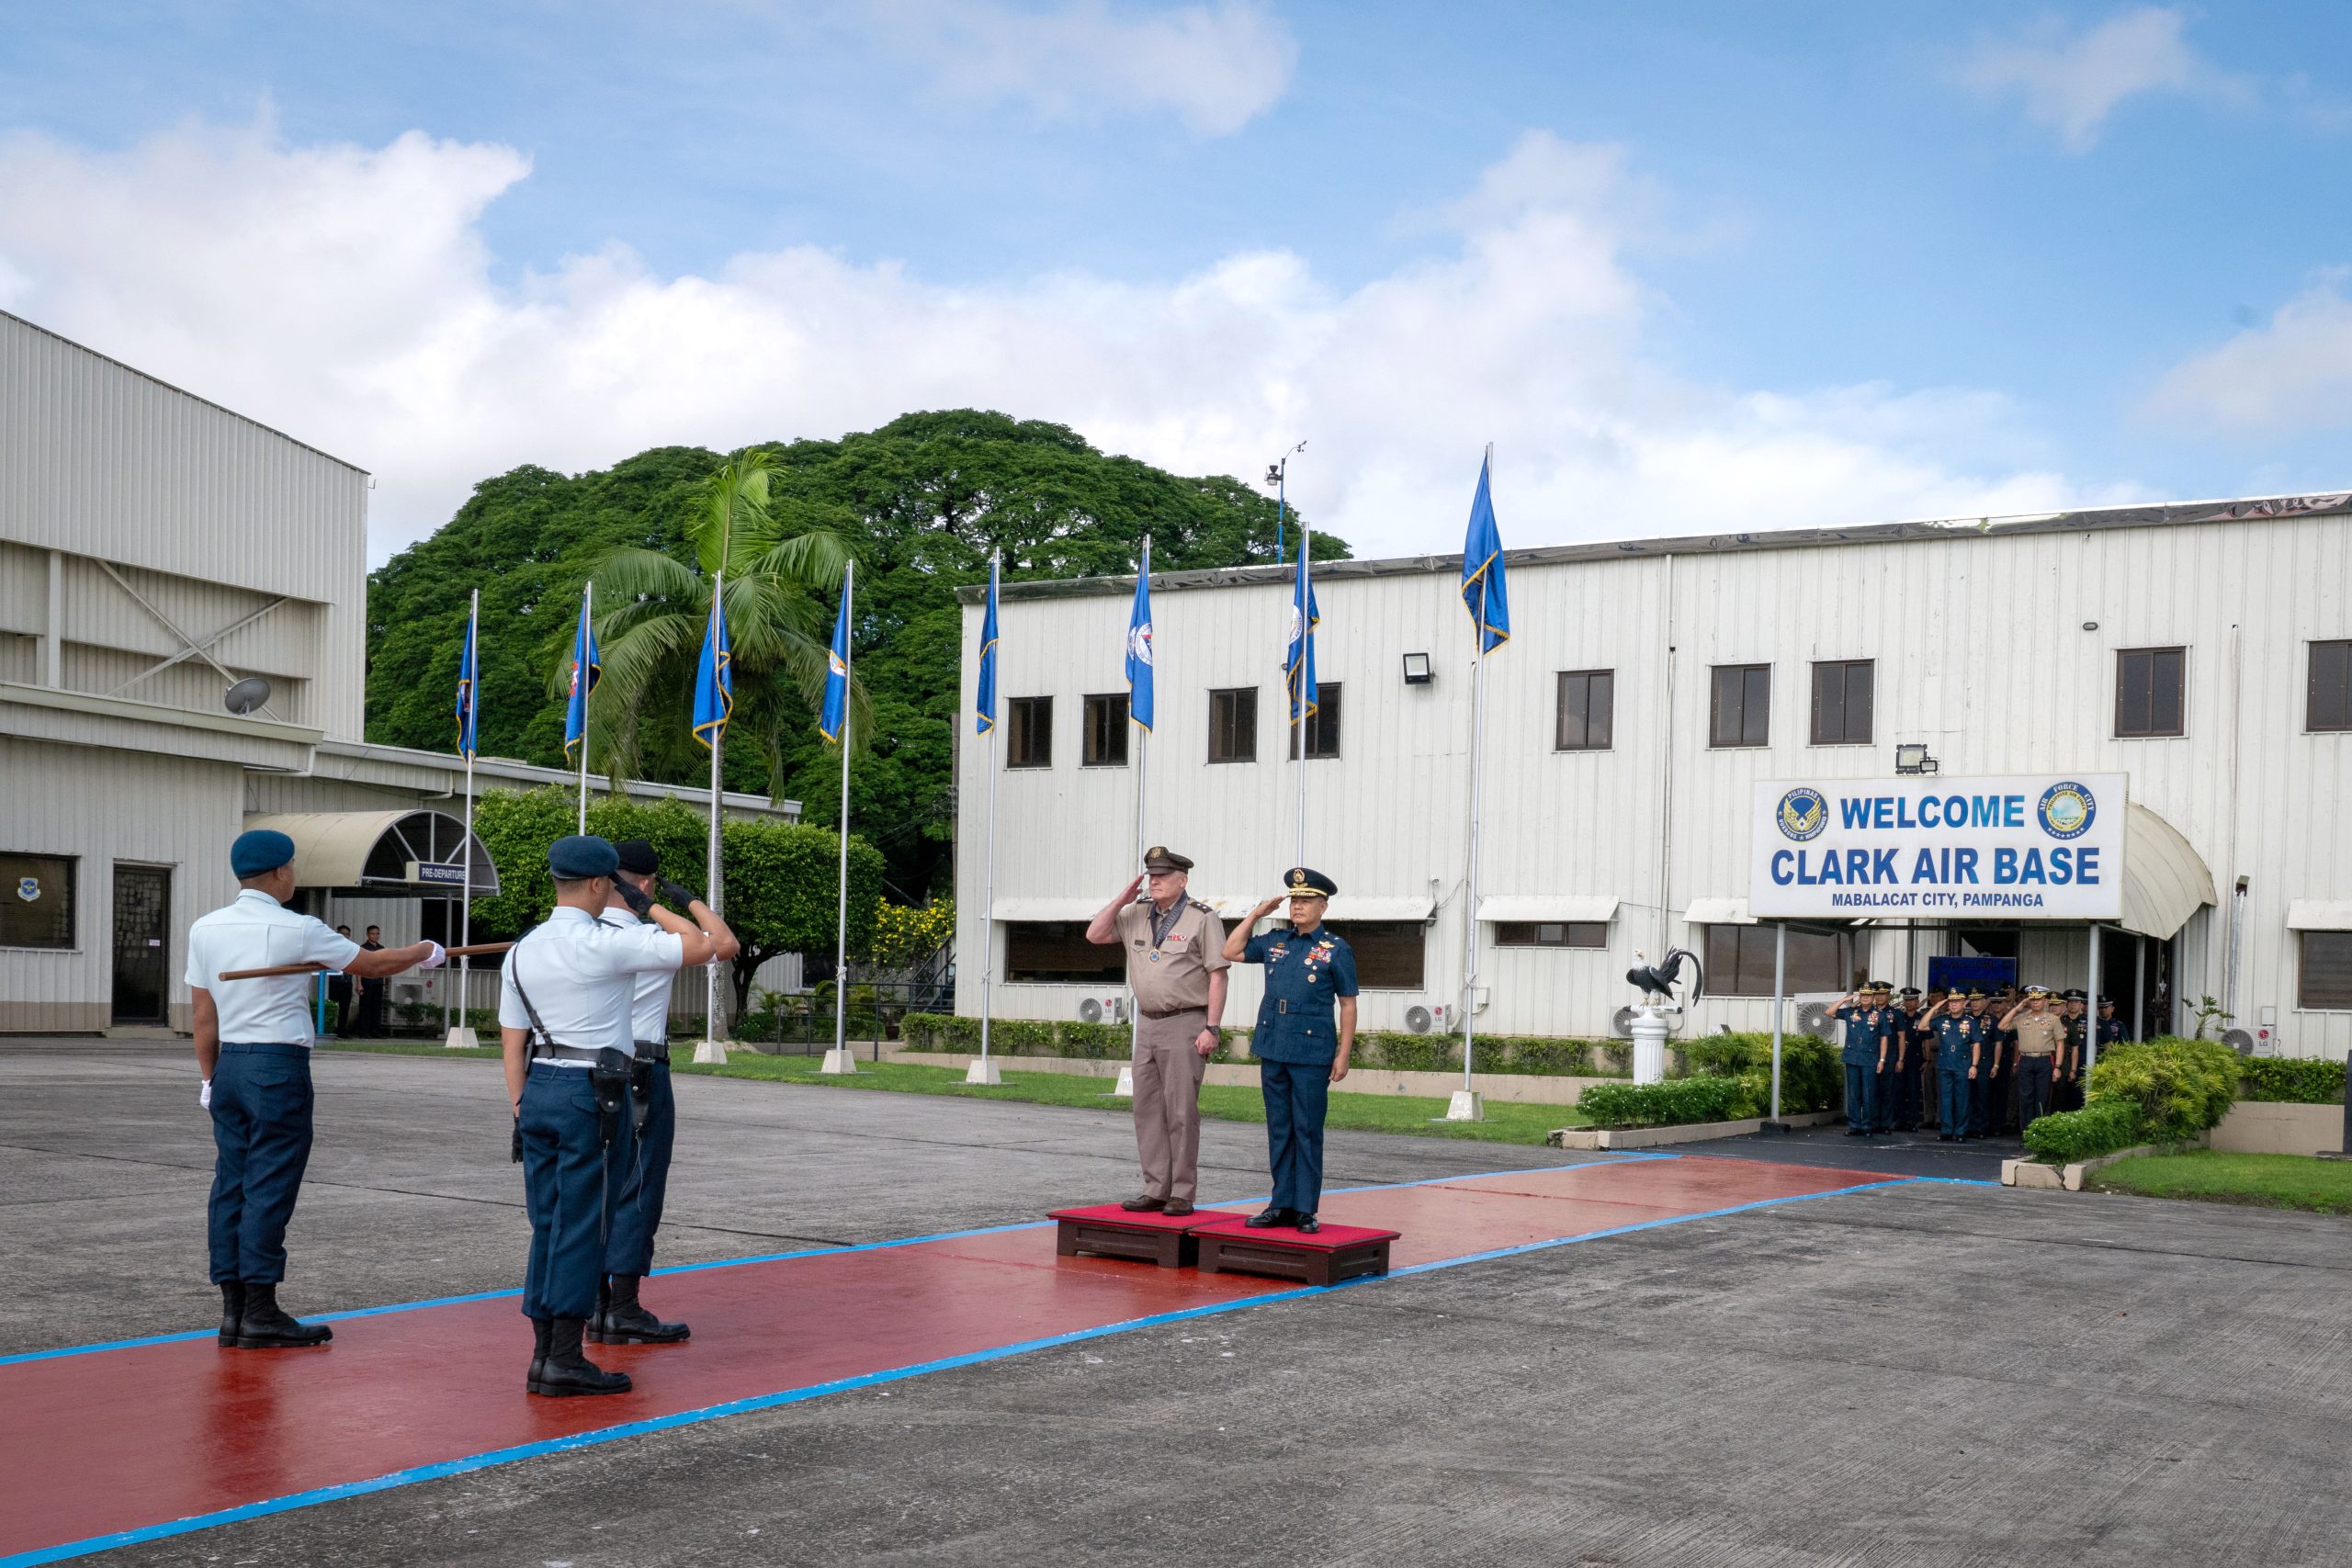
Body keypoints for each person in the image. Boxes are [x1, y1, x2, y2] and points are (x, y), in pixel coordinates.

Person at [187, 829, 442, 1348]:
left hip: (230, 1064)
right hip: (276, 1067)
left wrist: (209, 1078)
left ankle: (234, 1313)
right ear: (281, 873)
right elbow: (370, 964)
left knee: (231, 1185)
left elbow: (202, 1015)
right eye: (293, 870)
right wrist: (425, 950)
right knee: (269, 1185)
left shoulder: (205, 928)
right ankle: (260, 1311)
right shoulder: (298, 927)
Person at [499, 834, 733, 1397]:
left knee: (548, 1227)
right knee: (584, 1228)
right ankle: (563, 1359)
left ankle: (544, 1356)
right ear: (603, 884)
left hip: (540, 1087)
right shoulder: (608, 945)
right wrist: (652, 902)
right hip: (593, 1093)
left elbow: (512, 1044)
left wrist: (521, 1107)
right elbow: (717, 943)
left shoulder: (522, 949)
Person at [594, 839, 739, 1346]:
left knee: (597, 1186)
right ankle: (625, 1308)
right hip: (641, 1070)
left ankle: (594, 1306)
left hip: (585, 1072)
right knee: (638, 1186)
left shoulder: (581, 936)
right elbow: (723, 943)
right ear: (646, 884)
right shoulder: (651, 939)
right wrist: (688, 902)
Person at [1084, 846, 1229, 1217]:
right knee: (1146, 1108)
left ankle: (1182, 1191)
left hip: (1186, 1021)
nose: (1156, 881)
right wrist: (1122, 898)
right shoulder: (1135, 914)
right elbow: (1094, 935)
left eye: (1163, 875)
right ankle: (1155, 1189)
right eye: (1152, 875)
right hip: (1147, 1023)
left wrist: (1212, 1027)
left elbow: (1218, 974)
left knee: (1181, 1111)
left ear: (1183, 880)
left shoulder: (1201, 918)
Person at [1222, 867, 1355, 1233]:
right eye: (1294, 899)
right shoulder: (1276, 940)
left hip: (1312, 1052)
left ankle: (1305, 1209)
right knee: (1279, 1128)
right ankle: (1280, 1203)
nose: (1298, 906)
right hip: (1274, 1045)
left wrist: (1343, 1054)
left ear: (1323, 906)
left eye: (1306, 900)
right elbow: (1230, 949)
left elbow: (1347, 1004)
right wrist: (1256, 914)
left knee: (1307, 1130)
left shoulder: (1336, 950)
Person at [1831, 982, 1892, 1137]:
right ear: (1860, 996)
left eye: (1868, 996)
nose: (1866, 998)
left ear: (1873, 998)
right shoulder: (1851, 1012)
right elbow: (1829, 1012)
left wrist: (1882, 1060)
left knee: (1868, 1094)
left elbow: (1884, 1038)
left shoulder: (1880, 1015)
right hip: (1852, 1058)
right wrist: (1845, 1000)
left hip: (1870, 1059)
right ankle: (1854, 1125)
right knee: (1854, 1094)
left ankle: (1867, 1126)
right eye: (1863, 995)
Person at [2003, 986, 2065, 1129]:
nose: (2035, 1002)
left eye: (2039, 999)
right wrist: (2016, 1009)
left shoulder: (2053, 1019)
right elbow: (2002, 1025)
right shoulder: (2021, 1017)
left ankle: (2040, 1131)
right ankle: (2027, 1132)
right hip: (2025, 1060)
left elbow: (2060, 1044)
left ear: (2045, 1001)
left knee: (2042, 1098)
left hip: (2045, 1060)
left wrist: (2057, 1067)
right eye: (2032, 999)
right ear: (2028, 1001)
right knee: (2025, 1098)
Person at [1929, 993, 1982, 1143]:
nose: (1953, 1005)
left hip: (1963, 1065)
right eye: (1951, 1001)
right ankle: (1946, 1130)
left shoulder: (1970, 1021)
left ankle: (1960, 1131)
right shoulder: (1942, 1020)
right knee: (1945, 1099)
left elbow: (1976, 1044)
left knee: (1962, 1099)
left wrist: (1974, 1065)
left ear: (1964, 1003)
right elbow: (1923, 1025)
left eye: (1957, 1002)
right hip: (1945, 1065)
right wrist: (1937, 1007)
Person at [1888, 987, 1923, 1133]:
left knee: (1914, 1091)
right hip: (1899, 1059)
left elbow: (1926, 1041)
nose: (1909, 1003)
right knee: (1898, 1090)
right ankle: (1900, 1120)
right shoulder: (1899, 1017)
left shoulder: (1921, 1018)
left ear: (1917, 1001)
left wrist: (1927, 1060)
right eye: (1906, 1000)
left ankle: (1912, 1122)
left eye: (1912, 1000)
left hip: (1915, 1059)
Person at [357, 925, 388, 1036]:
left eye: (377, 933)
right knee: (365, 1007)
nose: (375, 936)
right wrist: (359, 983)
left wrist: (383, 983)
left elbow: (384, 967)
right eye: (373, 933)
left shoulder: (382, 948)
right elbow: (359, 967)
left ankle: (376, 1031)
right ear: (367, 934)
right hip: (366, 981)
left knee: (377, 1007)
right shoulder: (363, 948)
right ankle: (364, 1031)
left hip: (378, 981)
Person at [327, 925, 356, 1038]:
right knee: (332, 1007)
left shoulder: (352, 948)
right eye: (342, 934)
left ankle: (341, 1031)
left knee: (345, 1008)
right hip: (334, 981)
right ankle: (329, 1028)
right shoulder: (332, 947)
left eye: (347, 934)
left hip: (347, 982)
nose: (345, 936)